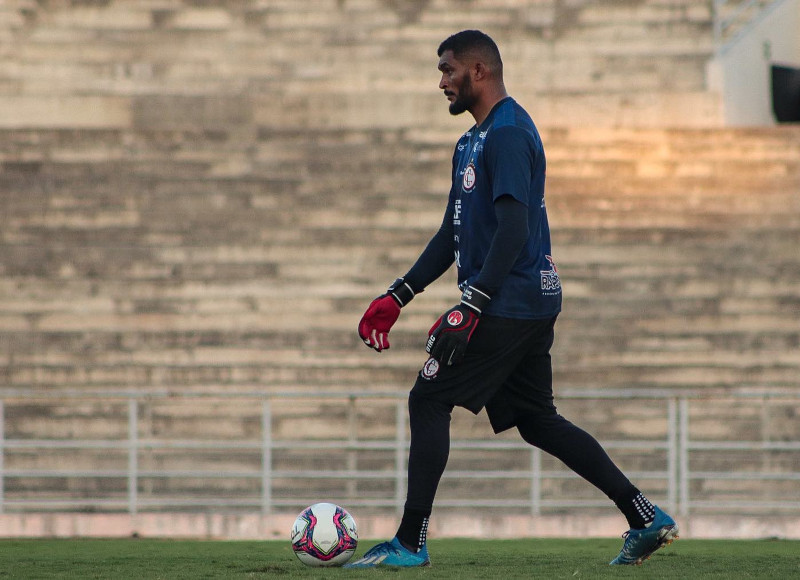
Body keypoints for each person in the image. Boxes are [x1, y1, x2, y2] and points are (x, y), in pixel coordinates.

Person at [346, 29, 678, 568]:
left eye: (448, 70)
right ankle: (644, 516)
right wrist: (399, 294)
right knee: (537, 419)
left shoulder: (508, 134)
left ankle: (410, 542)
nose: (442, 82)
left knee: (427, 398)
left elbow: (514, 229)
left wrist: (471, 305)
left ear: (479, 71)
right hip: (517, 300)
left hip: (510, 300)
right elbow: (451, 234)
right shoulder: (471, 142)